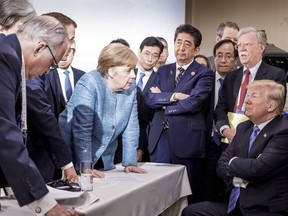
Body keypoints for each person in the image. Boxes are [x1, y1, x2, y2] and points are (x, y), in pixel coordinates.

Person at [0, 14, 79, 216]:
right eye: (52, 64)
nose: (47, 72)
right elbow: (5, 135)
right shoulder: (5, 58)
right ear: (40, 47)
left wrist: (13, 188)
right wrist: (46, 205)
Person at [182, 79, 288, 216]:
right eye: (247, 96)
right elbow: (221, 164)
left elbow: (257, 168)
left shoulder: (283, 131)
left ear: (271, 106)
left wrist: (233, 162)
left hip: (264, 207)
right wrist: (237, 176)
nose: (247, 101)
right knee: (190, 211)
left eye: (254, 97)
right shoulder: (244, 127)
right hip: (236, 201)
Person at [145, 24, 214, 204]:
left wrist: (165, 103)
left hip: (187, 140)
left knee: (186, 195)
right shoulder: (162, 70)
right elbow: (150, 99)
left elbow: (194, 103)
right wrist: (175, 96)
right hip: (160, 137)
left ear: (196, 49)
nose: (181, 48)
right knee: (157, 193)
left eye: (187, 44)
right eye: (178, 42)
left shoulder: (204, 74)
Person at [59, 43, 147, 176]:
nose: (133, 76)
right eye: (128, 70)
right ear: (111, 71)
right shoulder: (89, 82)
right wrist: (85, 166)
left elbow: (131, 127)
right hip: (74, 154)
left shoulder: (131, 87)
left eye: (134, 70)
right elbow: (82, 130)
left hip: (104, 155)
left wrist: (130, 162)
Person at [26, 12, 81, 183]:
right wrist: (66, 164)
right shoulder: (32, 68)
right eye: (70, 38)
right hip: (29, 159)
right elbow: (44, 116)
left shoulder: (48, 68)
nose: (72, 45)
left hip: (47, 159)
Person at [214, 27, 287, 145]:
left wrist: (244, 133)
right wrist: (226, 130)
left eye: (246, 44)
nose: (241, 49)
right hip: (228, 140)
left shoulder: (275, 75)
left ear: (261, 47)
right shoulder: (231, 76)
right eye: (239, 45)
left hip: (257, 141)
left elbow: (273, 111)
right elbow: (220, 109)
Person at [205, 39, 238, 200]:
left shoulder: (239, 82)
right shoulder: (204, 79)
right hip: (206, 140)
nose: (223, 60)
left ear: (235, 60)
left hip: (230, 140)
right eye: (219, 55)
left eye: (228, 56)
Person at [44, 12, 86, 120]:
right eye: (68, 39)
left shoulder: (85, 78)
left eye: (73, 40)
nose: (70, 45)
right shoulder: (40, 77)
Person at [136, 36, 164, 162]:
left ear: (159, 58)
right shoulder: (126, 73)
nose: (149, 59)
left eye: (154, 55)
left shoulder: (161, 79)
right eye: (146, 54)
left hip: (149, 135)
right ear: (139, 52)